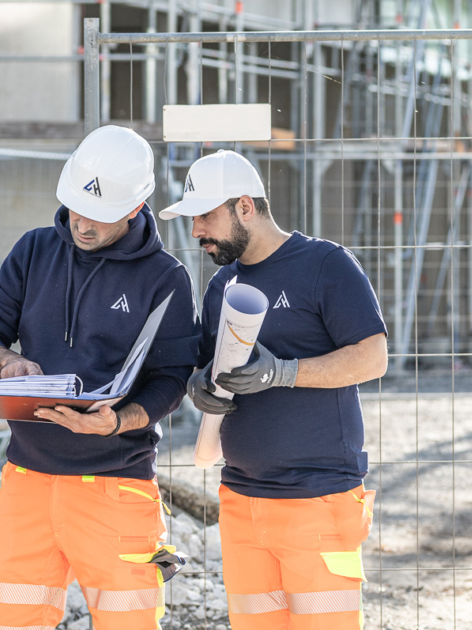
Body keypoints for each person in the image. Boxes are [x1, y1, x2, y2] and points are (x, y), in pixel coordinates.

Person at [0, 125, 198, 630]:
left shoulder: (165, 279)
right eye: (76, 208)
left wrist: (117, 422)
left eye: (100, 215)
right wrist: (5, 362)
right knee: (8, 620)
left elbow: (172, 379)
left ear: (136, 210)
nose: (83, 224)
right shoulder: (33, 251)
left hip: (116, 486)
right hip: (27, 480)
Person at [164, 150, 388, 630]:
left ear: (245, 207)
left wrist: (284, 372)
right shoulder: (222, 284)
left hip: (318, 500)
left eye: (205, 216)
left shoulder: (325, 264)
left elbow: (372, 357)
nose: (196, 231)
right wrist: (198, 387)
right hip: (242, 501)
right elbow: (209, 370)